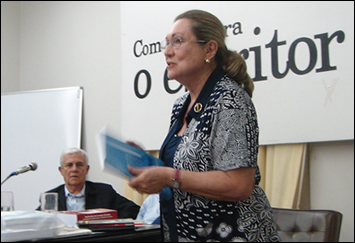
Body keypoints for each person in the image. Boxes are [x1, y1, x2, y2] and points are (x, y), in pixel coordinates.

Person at [127, 9, 281, 242]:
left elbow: (239, 184)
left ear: (209, 49)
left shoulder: (230, 100)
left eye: (177, 41)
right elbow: (188, 169)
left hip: (233, 234)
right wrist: (148, 166)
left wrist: (169, 176)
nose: (167, 52)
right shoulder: (181, 105)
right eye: (166, 43)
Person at [37, 148, 140, 219]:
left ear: (87, 169)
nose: (74, 169)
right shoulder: (51, 197)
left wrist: (107, 218)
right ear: (61, 170)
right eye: (69, 165)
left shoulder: (104, 192)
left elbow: (133, 210)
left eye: (79, 165)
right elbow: (37, 220)